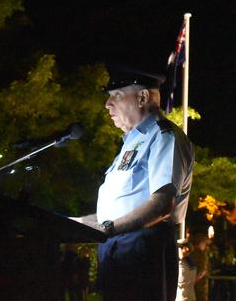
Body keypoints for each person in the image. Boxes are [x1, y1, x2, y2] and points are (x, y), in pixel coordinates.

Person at [73, 66, 194, 301]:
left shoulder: (163, 136)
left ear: (142, 97)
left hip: (142, 249)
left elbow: (161, 205)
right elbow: (114, 211)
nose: (108, 104)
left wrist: (107, 228)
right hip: (119, 249)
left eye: (116, 95)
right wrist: (74, 224)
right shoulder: (131, 144)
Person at [190, 233, 210, 301]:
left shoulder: (194, 253)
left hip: (198, 284)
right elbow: (202, 271)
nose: (205, 245)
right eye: (204, 243)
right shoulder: (201, 254)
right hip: (200, 285)